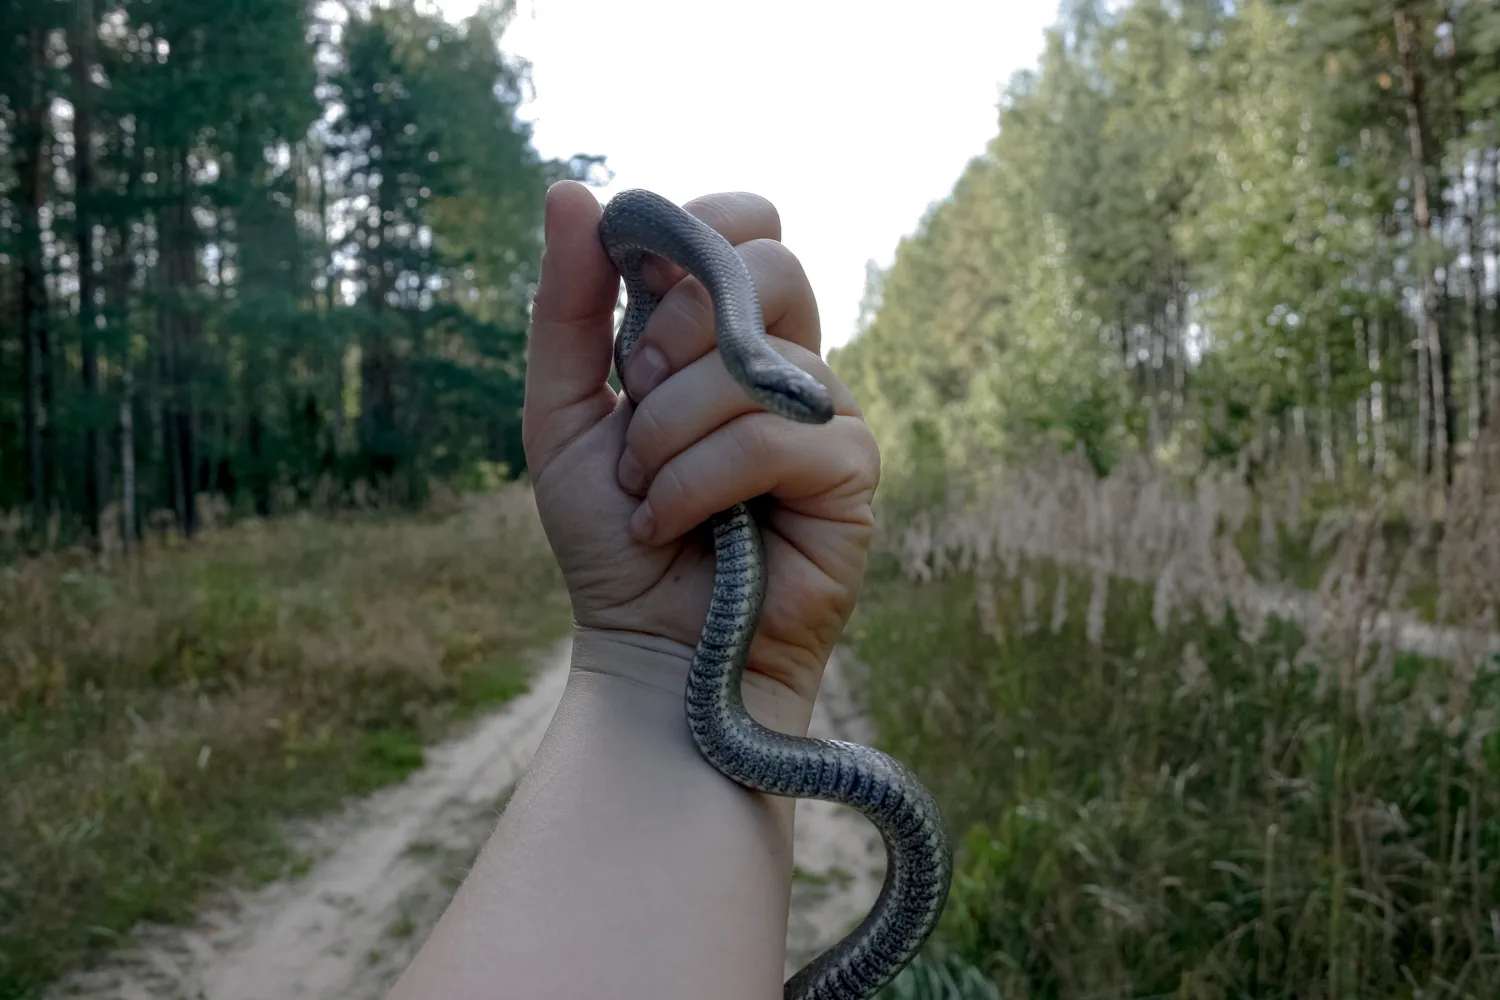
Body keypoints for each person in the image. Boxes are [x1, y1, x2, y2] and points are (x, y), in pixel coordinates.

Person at [385, 180, 881, 1000]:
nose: (805, 410)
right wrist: (647, 651)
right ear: (764, 381)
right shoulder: (680, 309)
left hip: (713, 675)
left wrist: (698, 662)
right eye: (793, 400)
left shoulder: (728, 341)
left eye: (801, 403)